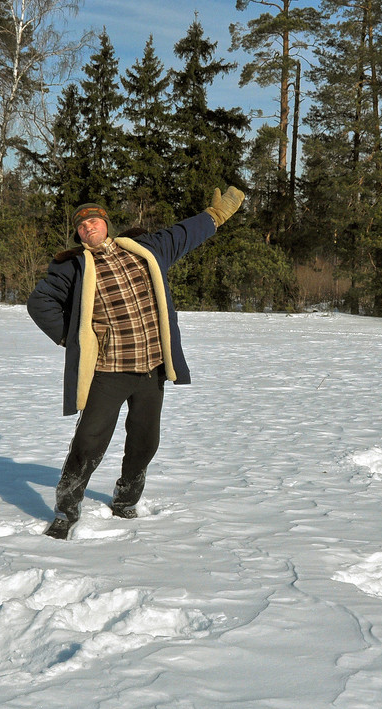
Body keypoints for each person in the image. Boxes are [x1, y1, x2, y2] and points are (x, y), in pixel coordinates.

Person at [27, 186, 245, 539]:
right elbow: (40, 304)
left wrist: (214, 217)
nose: (88, 228)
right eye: (82, 226)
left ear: (106, 225)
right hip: (108, 372)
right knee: (87, 444)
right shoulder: (73, 267)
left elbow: (182, 235)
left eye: (94, 221)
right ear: (78, 234)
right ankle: (66, 511)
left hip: (151, 368)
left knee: (145, 442)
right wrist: (78, 338)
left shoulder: (144, 250)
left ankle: (126, 500)